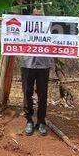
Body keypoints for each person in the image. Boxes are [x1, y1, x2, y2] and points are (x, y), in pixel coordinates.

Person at [21, 8, 53, 137]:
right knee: (27, 92)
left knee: (42, 94)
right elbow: (11, 33)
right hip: (27, 63)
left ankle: (41, 121)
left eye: (40, 15)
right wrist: (3, 24)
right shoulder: (24, 26)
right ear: (31, 15)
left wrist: (78, 23)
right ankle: (29, 120)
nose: (37, 16)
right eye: (35, 14)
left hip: (43, 65)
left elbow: (65, 32)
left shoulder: (48, 26)